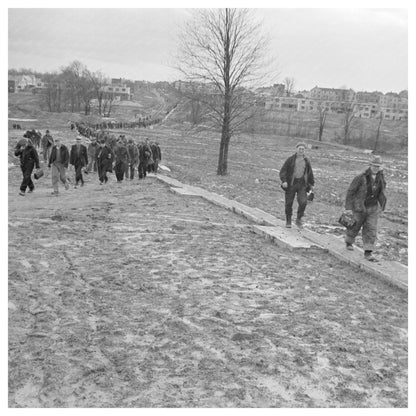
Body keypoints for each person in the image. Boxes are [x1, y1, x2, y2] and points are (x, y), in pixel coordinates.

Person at [343, 155, 387, 262]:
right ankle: (349, 242)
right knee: (354, 226)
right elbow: (351, 192)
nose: (376, 168)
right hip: (359, 207)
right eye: (374, 165)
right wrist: (348, 207)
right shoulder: (360, 177)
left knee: (371, 229)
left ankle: (368, 252)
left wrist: (382, 205)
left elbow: (382, 192)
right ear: (370, 165)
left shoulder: (381, 178)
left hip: (373, 208)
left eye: (378, 166)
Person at [279, 142, 315, 228]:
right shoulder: (290, 160)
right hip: (291, 184)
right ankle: (288, 220)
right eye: (300, 149)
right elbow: (283, 171)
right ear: (296, 149)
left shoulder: (306, 161)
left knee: (303, 202)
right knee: (289, 203)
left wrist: (311, 185)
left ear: (305, 151)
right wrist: (284, 181)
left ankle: (299, 219)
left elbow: (310, 173)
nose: (301, 150)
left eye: (303, 149)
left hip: (302, 184)